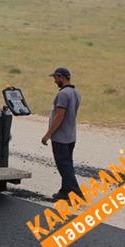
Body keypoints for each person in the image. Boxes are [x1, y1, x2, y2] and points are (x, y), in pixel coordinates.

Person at [41, 67, 81, 201]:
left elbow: (59, 116)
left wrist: (48, 134)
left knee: (63, 166)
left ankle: (76, 193)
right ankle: (65, 192)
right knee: (67, 164)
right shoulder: (75, 92)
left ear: (61, 77)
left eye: (55, 78)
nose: (54, 81)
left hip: (61, 137)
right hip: (71, 136)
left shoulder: (63, 94)